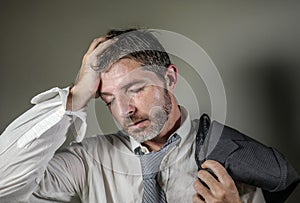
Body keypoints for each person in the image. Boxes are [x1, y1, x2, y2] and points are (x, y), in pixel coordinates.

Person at [0, 29, 295, 203]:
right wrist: (76, 97)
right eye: (109, 100)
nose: (124, 110)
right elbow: (5, 182)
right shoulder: (87, 162)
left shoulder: (233, 159)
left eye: (136, 89)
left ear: (170, 78)